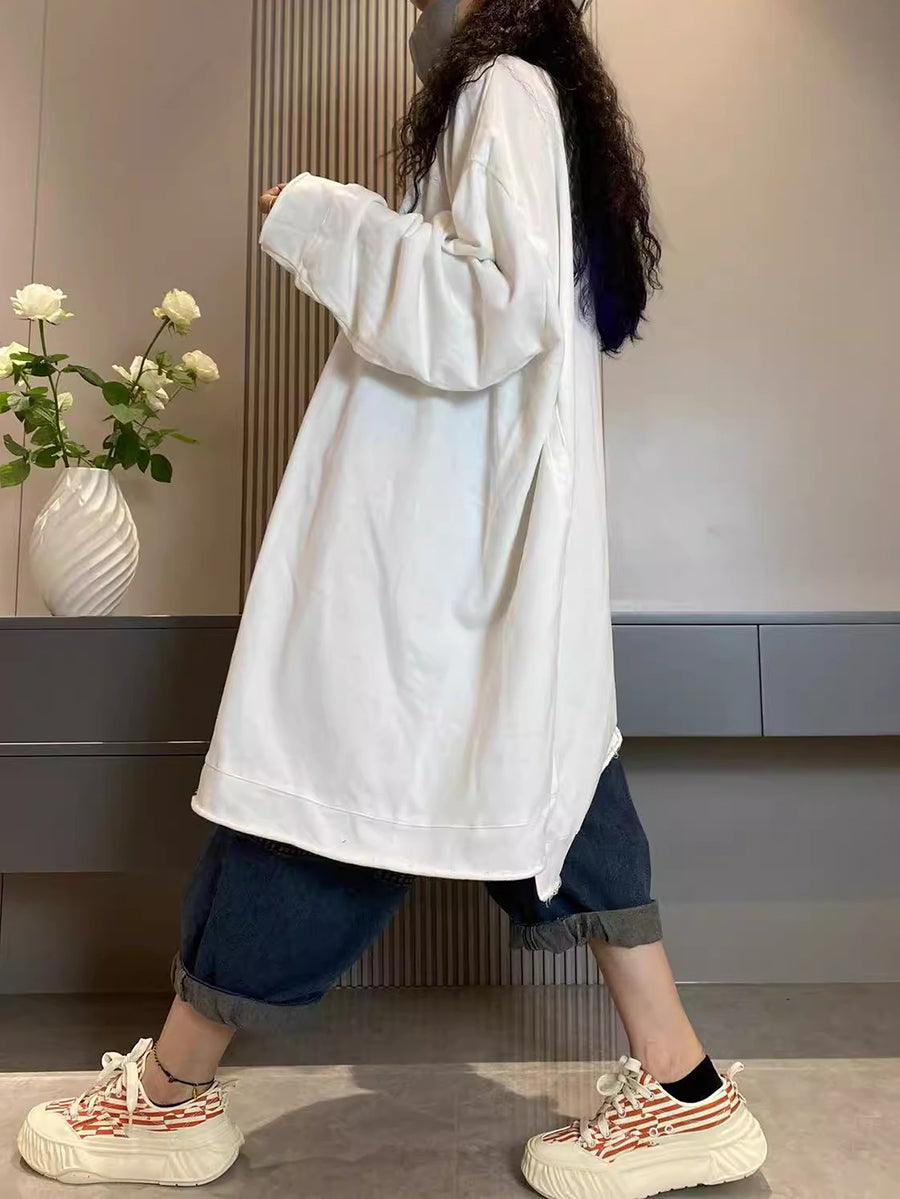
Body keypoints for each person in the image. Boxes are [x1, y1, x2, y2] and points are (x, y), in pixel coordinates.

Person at [17, 1, 768, 1195]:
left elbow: (496, 304)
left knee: (329, 783)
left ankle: (169, 1094)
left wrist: (325, 217)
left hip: (437, 546)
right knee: (544, 773)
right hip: (471, 541)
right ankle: (684, 1088)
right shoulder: (521, 91)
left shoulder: (501, 89)